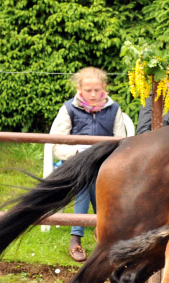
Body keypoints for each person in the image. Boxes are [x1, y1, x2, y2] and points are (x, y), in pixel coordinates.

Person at [50, 67, 127, 262]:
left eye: (97, 90)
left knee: (94, 179)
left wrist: (105, 158)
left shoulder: (114, 109)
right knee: (86, 180)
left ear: (104, 88)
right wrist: (77, 153)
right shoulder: (68, 109)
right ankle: (98, 238)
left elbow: (122, 142)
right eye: (88, 90)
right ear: (79, 89)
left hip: (104, 165)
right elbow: (56, 146)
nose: (93, 94)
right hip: (76, 164)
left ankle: (78, 239)